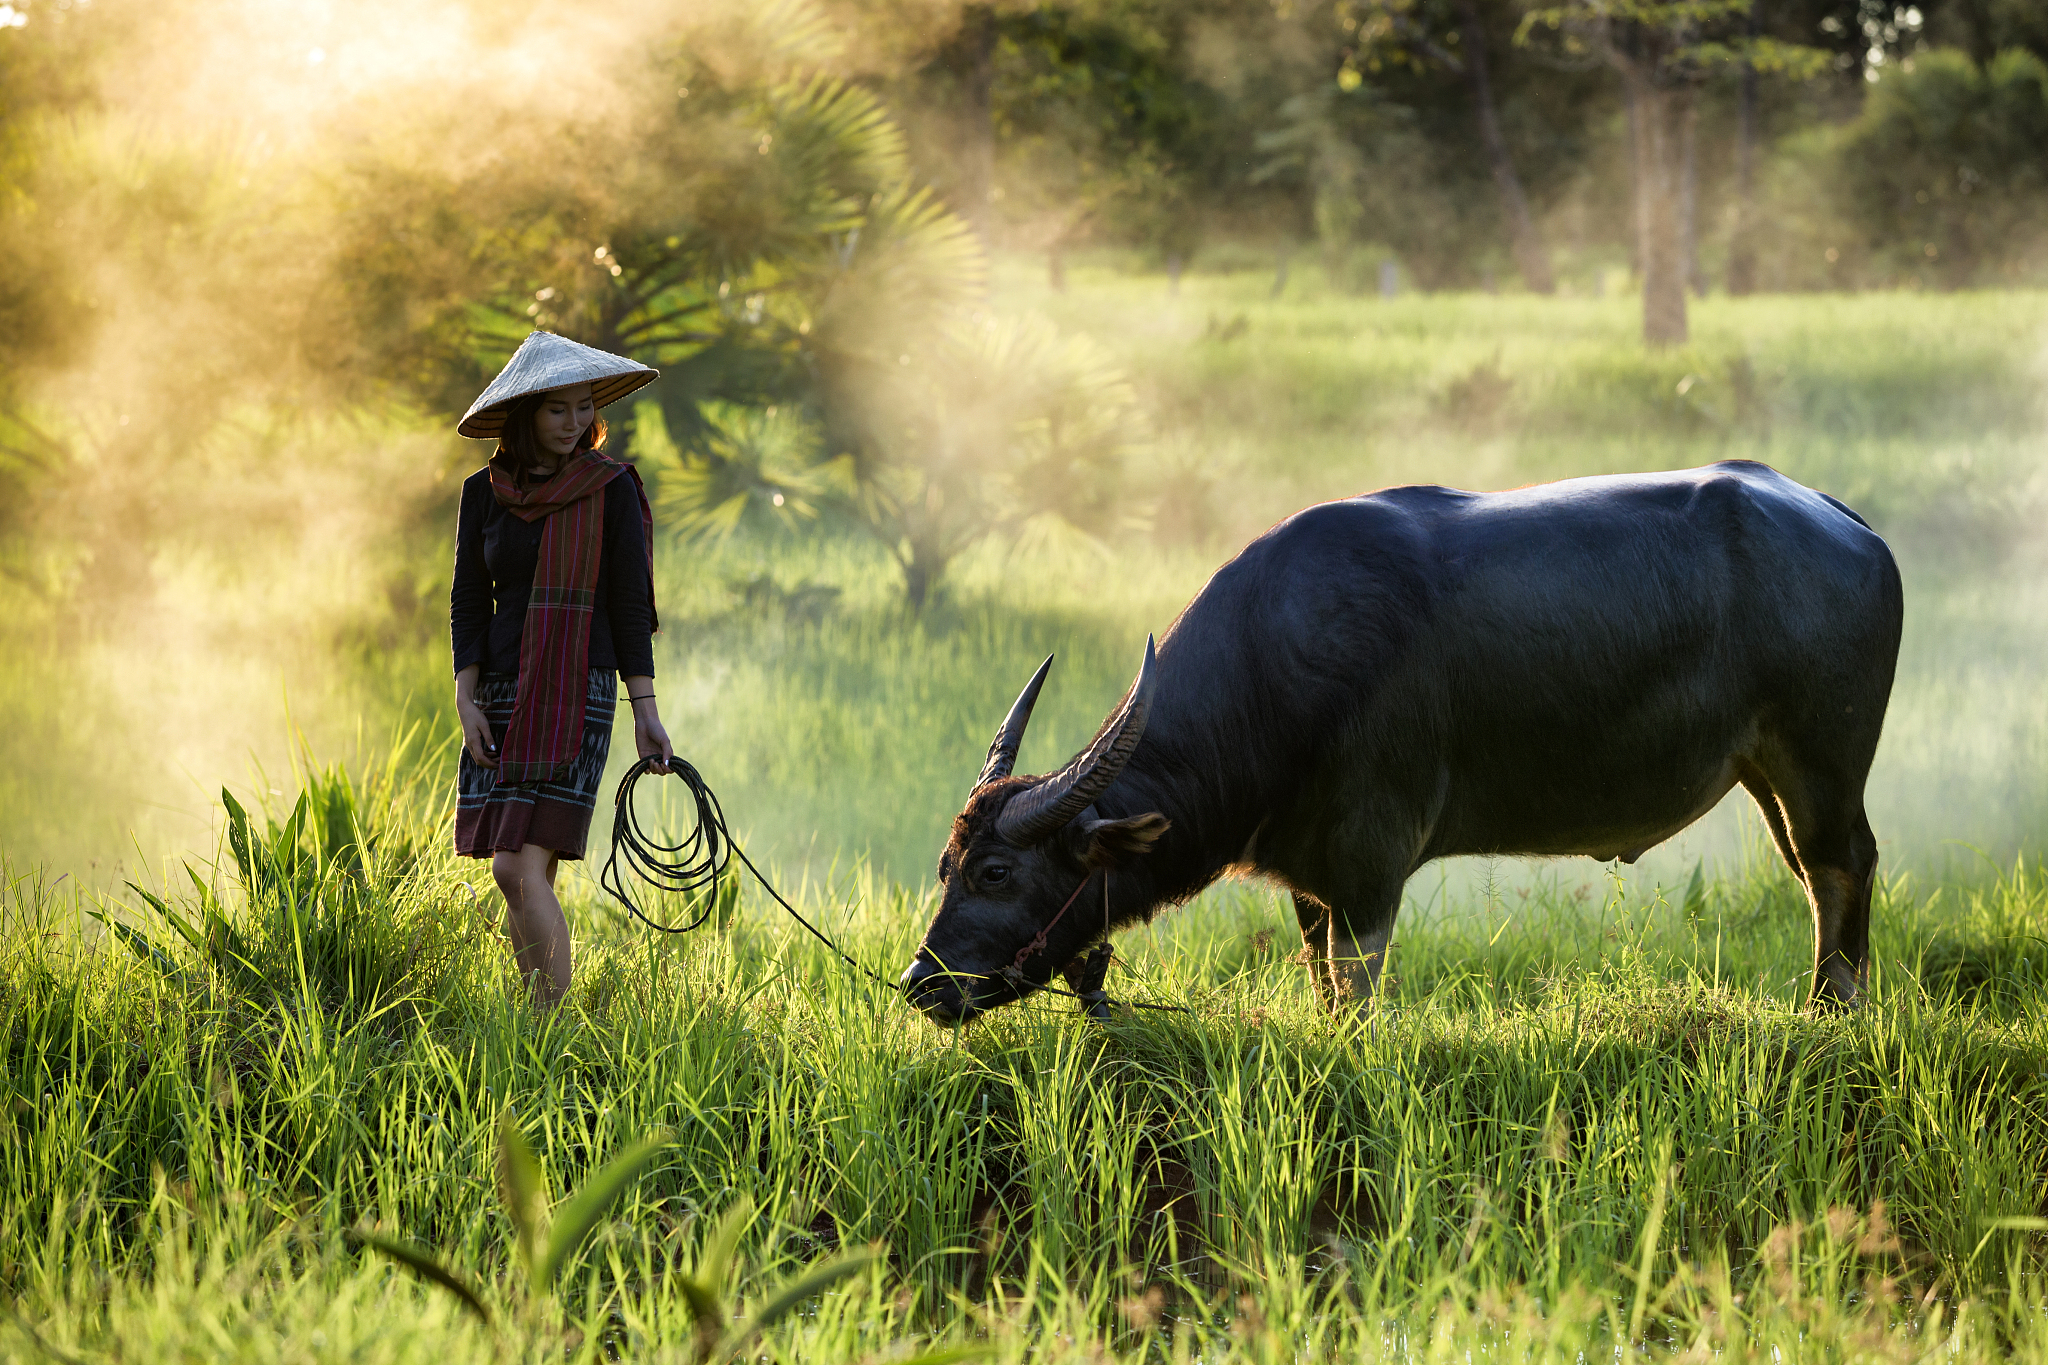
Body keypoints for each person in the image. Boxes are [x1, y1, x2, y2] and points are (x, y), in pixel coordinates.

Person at [449, 331, 673, 1007]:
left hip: (577, 690)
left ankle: (550, 1025)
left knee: (514, 864)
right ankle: (540, 1025)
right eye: (558, 411)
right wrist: (466, 697)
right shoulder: (482, 494)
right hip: (503, 689)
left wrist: (647, 711)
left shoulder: (609, 488)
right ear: (524, 416)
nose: (575, 423)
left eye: (583, 409)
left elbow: (630, 605)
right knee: (522, 869)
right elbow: (467, 597)